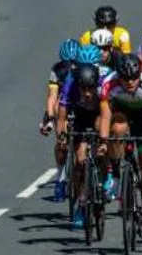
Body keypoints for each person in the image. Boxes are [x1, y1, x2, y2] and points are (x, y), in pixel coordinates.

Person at [97, 54, 142, 237]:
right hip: (121, 116)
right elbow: (105, 117)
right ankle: (116, 175)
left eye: (134, 77)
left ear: (140, 74)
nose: (130, 82)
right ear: (119, 76)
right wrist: (103, 142)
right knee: (116, 130)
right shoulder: (109, 85)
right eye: (125, 79)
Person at [56, 60, 104, 229]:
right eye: (83, 89)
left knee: (101, 136)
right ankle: (82, 204)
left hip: (99, 114)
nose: (87, 93)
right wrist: (61, 137)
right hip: (81, 116)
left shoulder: (102, 84)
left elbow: (108, 113)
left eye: (90, 88)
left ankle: (106, 176)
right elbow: (61, 115)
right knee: (80, 162)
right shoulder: (70, 85)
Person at [42, 39, 81, 202]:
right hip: (63, 103)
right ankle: (60, 176)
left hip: (80, 102)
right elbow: (52, 96)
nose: (71, 67)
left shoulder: (85, 68)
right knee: (61, 145)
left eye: (74, 63)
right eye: (67, 63)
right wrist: (49, 118)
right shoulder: (57, 70)